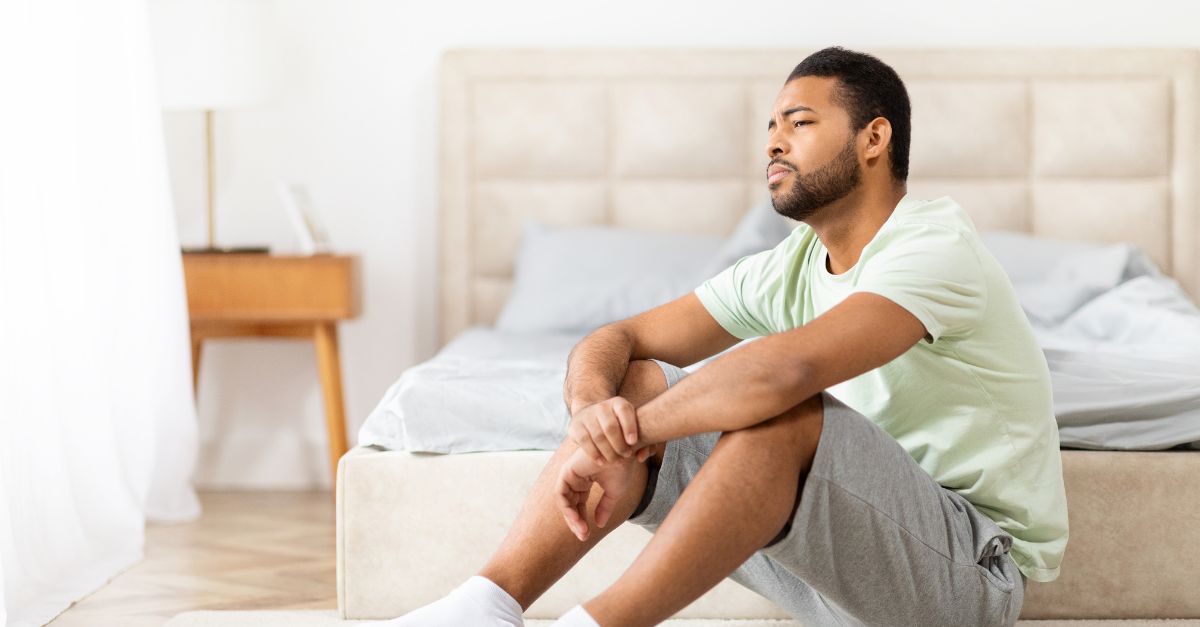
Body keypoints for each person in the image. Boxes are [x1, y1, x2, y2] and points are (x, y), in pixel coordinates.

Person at [367, 45, 1069, 627]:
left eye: (799, 122)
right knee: (636, 378)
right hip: (838, 567)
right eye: (770, 127)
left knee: (782, 413)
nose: (773, 142)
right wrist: (592, 413)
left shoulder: (933, 245)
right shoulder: (790, 265)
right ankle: (486, 604)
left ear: (874, 139)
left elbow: (783, 373)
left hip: (967, 574)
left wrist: (632, 434)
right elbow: (619, 336)